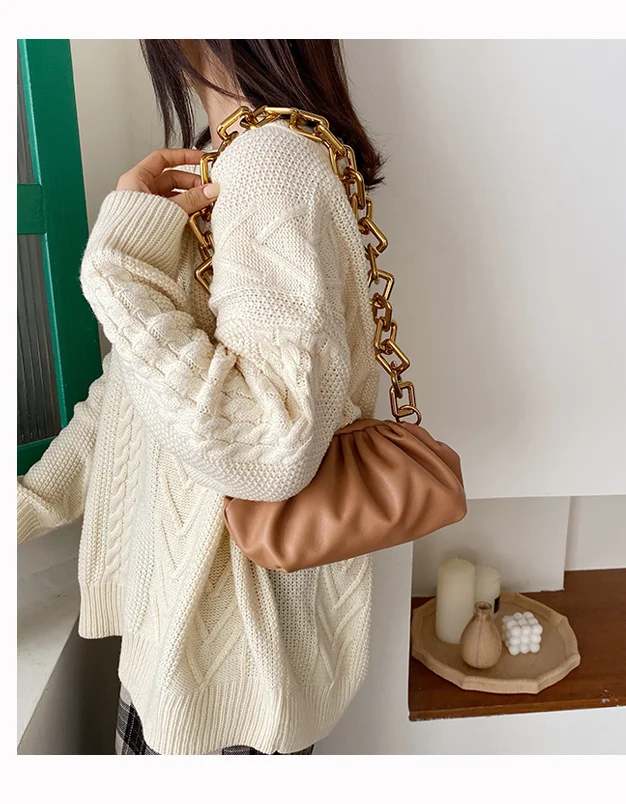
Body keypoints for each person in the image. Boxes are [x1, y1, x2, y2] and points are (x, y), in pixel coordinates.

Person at [17, 39, 383, 755]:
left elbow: (271, 447)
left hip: (228, 684)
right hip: (182, 656)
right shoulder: (233, 157)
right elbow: (130, 404)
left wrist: (119, 272)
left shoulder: (270, 161)